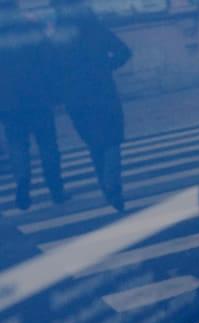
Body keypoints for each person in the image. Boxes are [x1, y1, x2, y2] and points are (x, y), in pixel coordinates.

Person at [51, 0, 130, 211]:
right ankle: (113, 185)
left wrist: (59, 94)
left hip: (76, 99)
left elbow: (52, 71)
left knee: (95, 144)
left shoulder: (58, 35)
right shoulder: (95, 27)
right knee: (112, 139)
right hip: (103, 92)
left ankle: (106, 187)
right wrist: (107, 67)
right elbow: (124, 51)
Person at [0, 0, 67, 210]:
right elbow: (50, 59)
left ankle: (22, 180)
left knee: (17, 145)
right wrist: (55, 92)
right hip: (38, 97)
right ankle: (56, 188)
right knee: (48, 144)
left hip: (8, 102)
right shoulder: (30, 26)